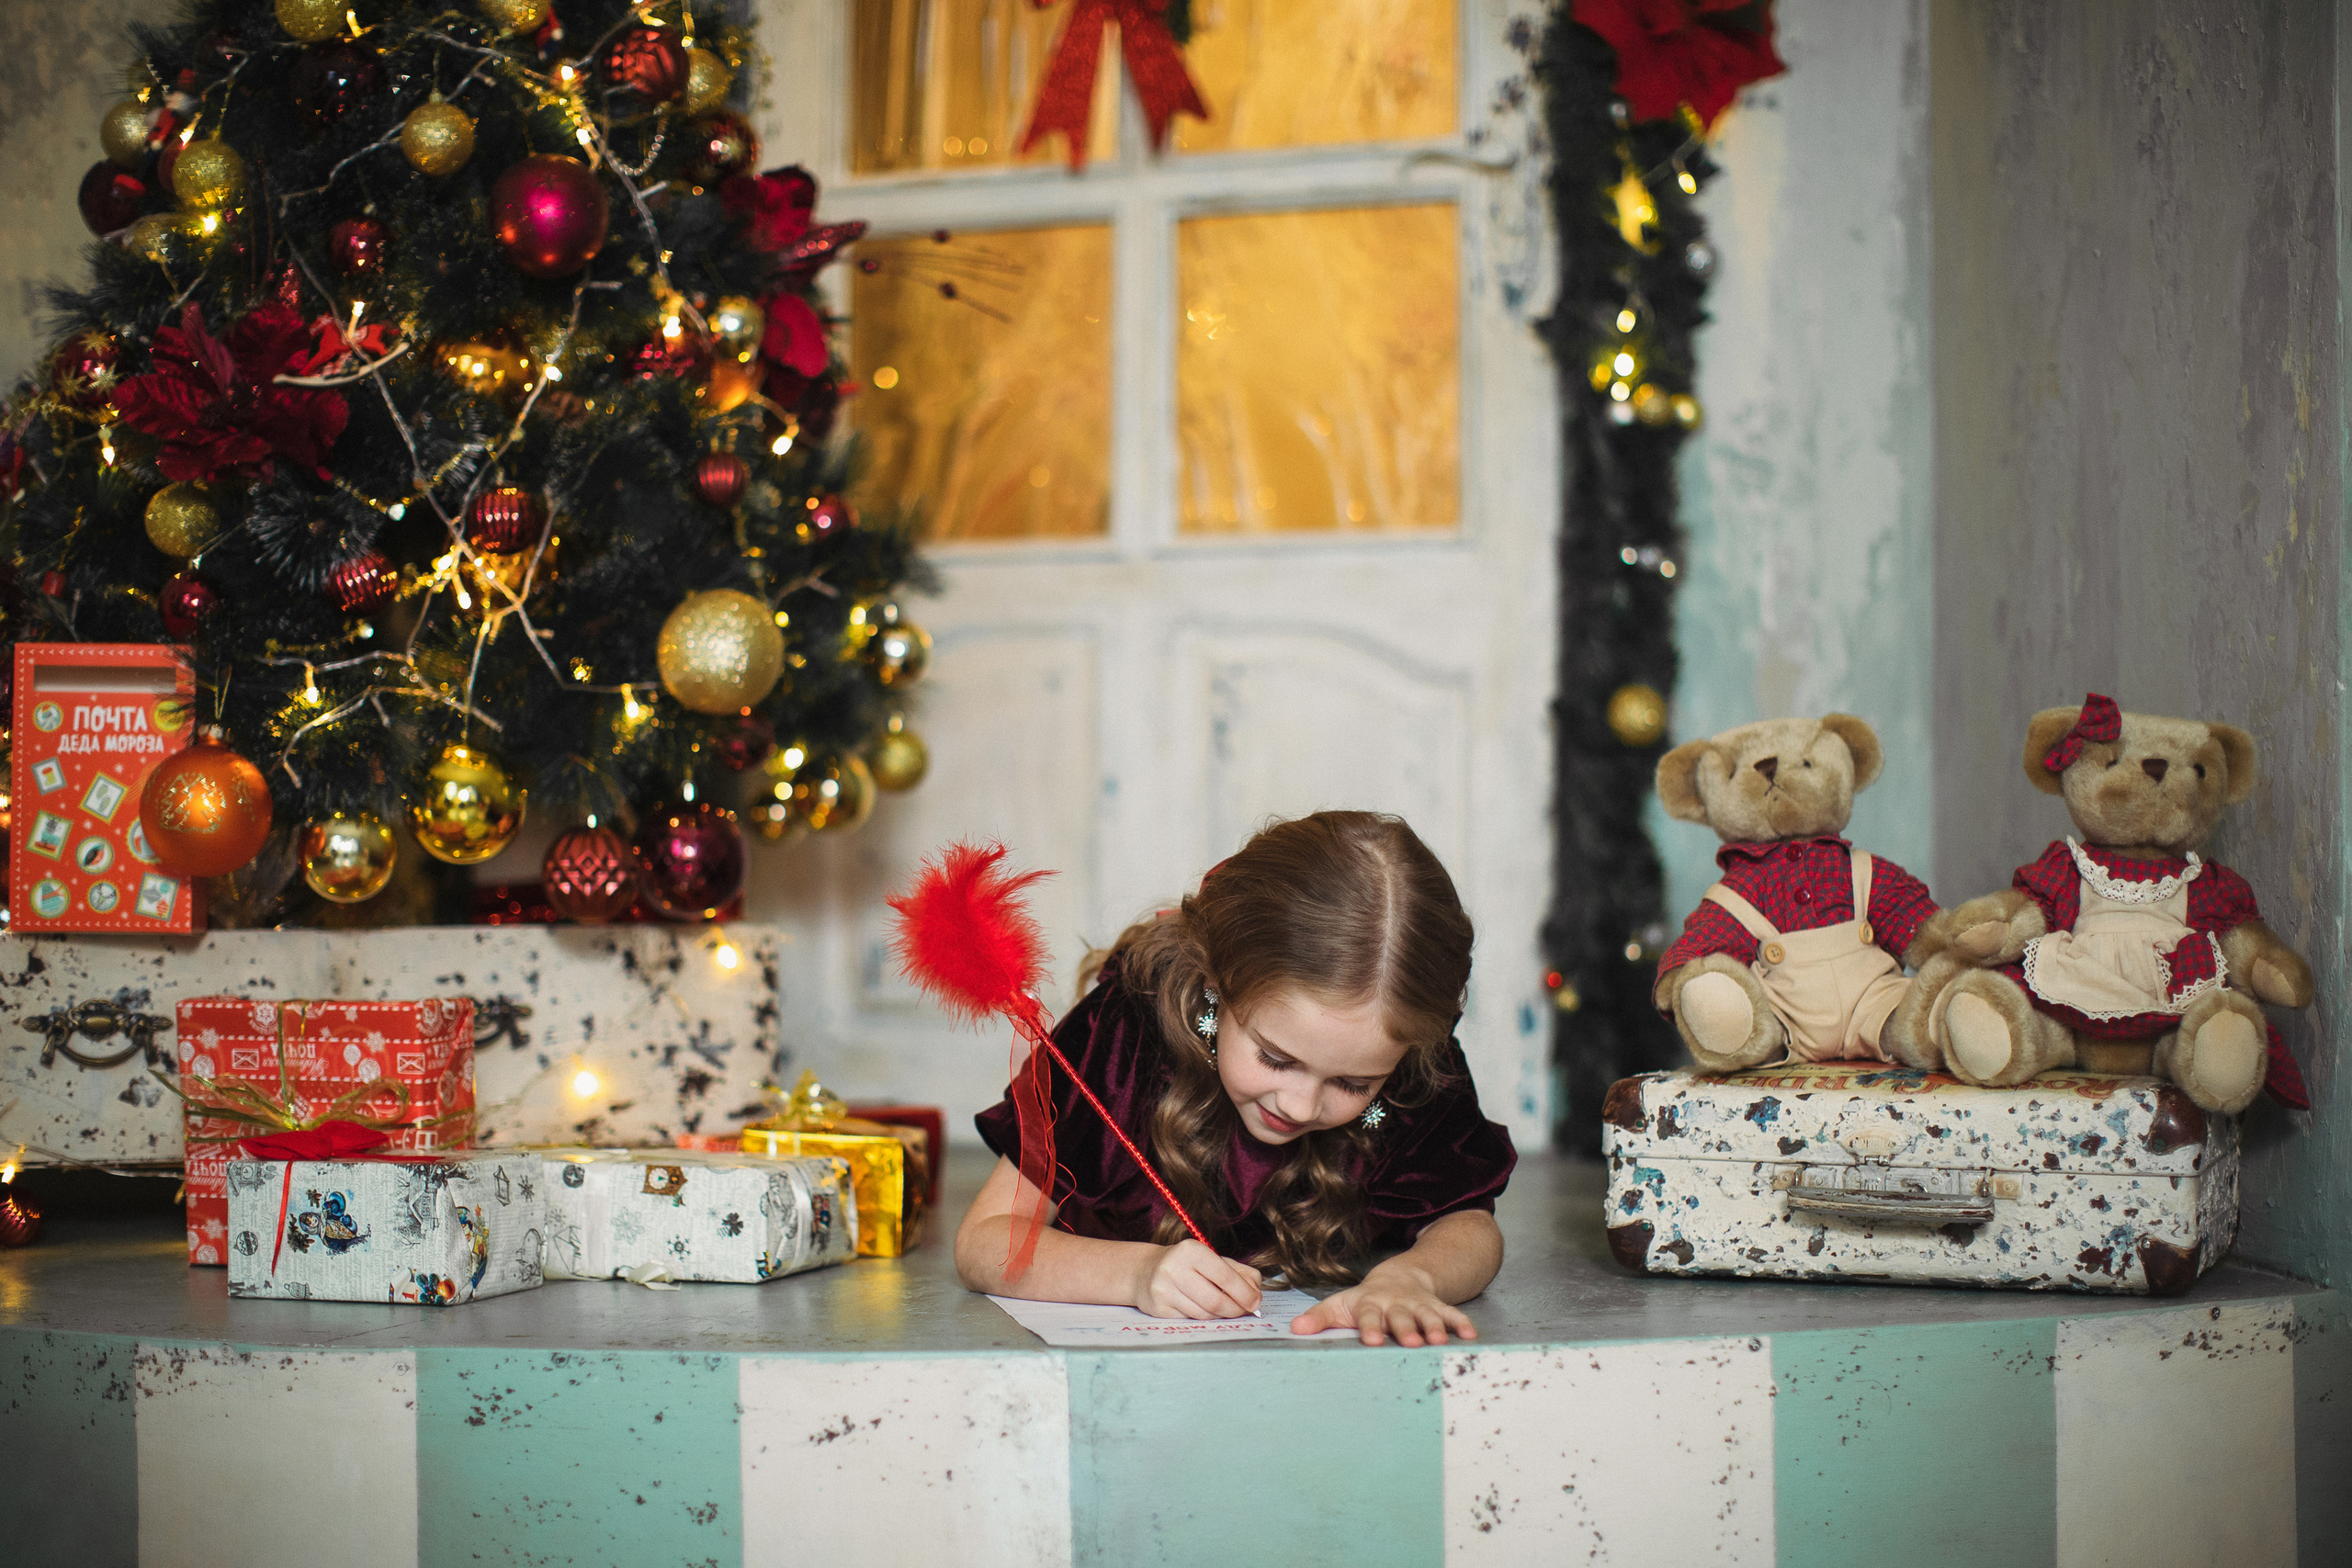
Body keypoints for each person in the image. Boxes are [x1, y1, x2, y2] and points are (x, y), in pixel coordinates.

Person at [957, 810, 1516, 1347]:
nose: (1300, 1106)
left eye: (1354, 1085)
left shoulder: (1409, 1060)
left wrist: (1412, 1279)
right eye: (1275, 1058)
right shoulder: (1123, 1036)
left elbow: (1468, 1224)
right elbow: (986, 1241)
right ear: (1215, 983)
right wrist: (1136, 1274)